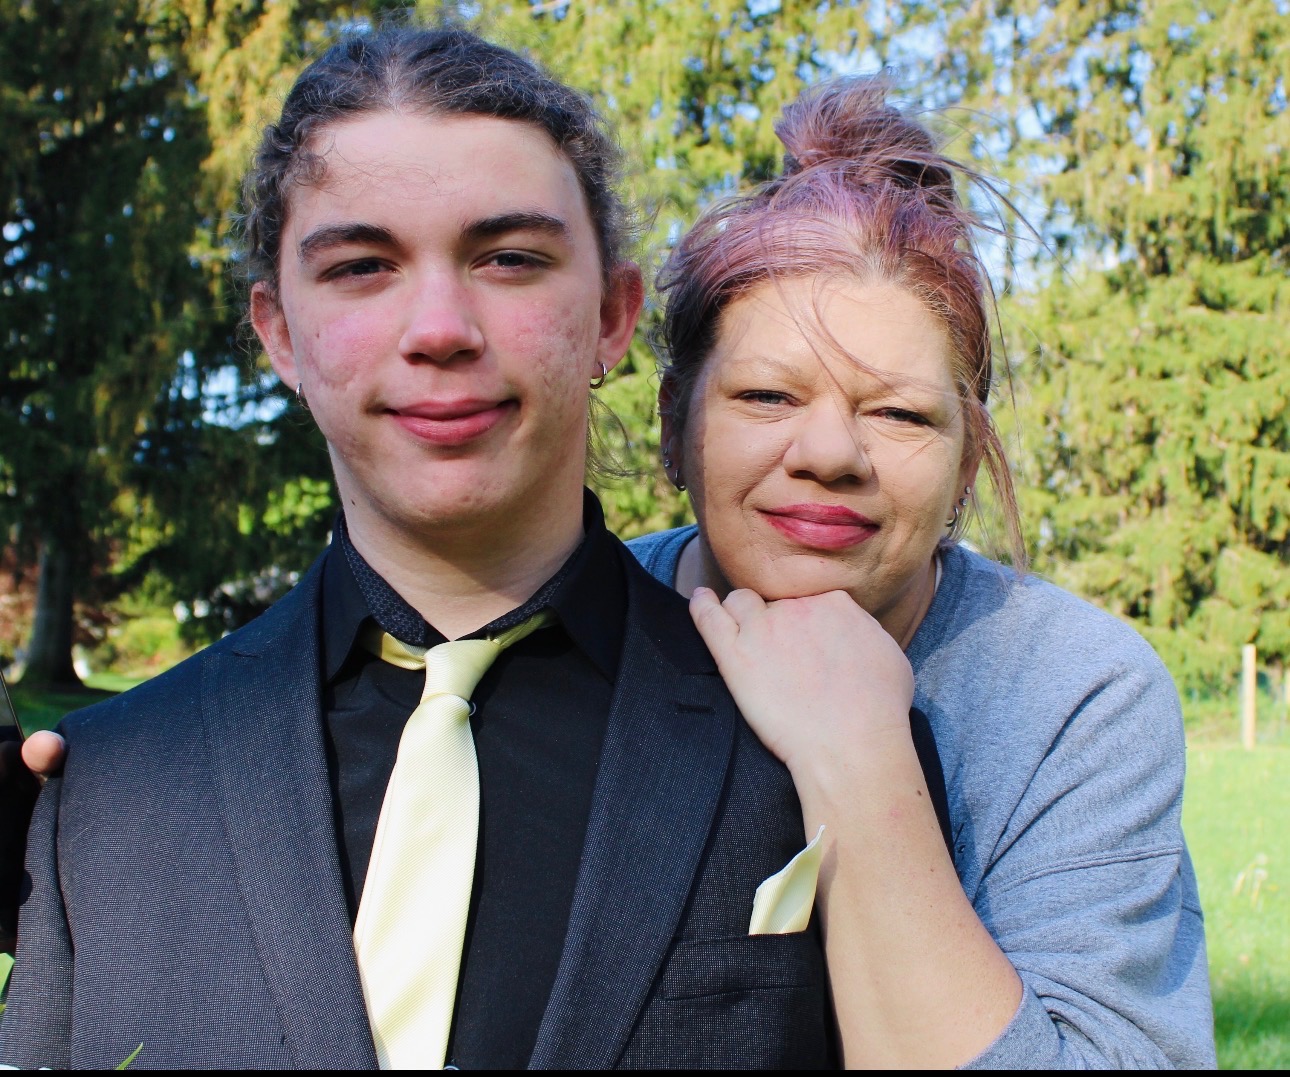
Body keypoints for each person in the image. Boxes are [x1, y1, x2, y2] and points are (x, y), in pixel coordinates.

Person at [0, 27, 962, 1070]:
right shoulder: (101, 795)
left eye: (508, 259)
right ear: (278, 334)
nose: (441, 328)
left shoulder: (831, 738)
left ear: (613, 314)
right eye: (362, 266)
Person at [627, 79, 1216, 1067]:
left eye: (899, 413)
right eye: (768, 396)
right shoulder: (577, 625)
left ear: (969, 462)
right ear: (673, 426)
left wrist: (862, 759)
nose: (829, 454)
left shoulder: (1074, 694)